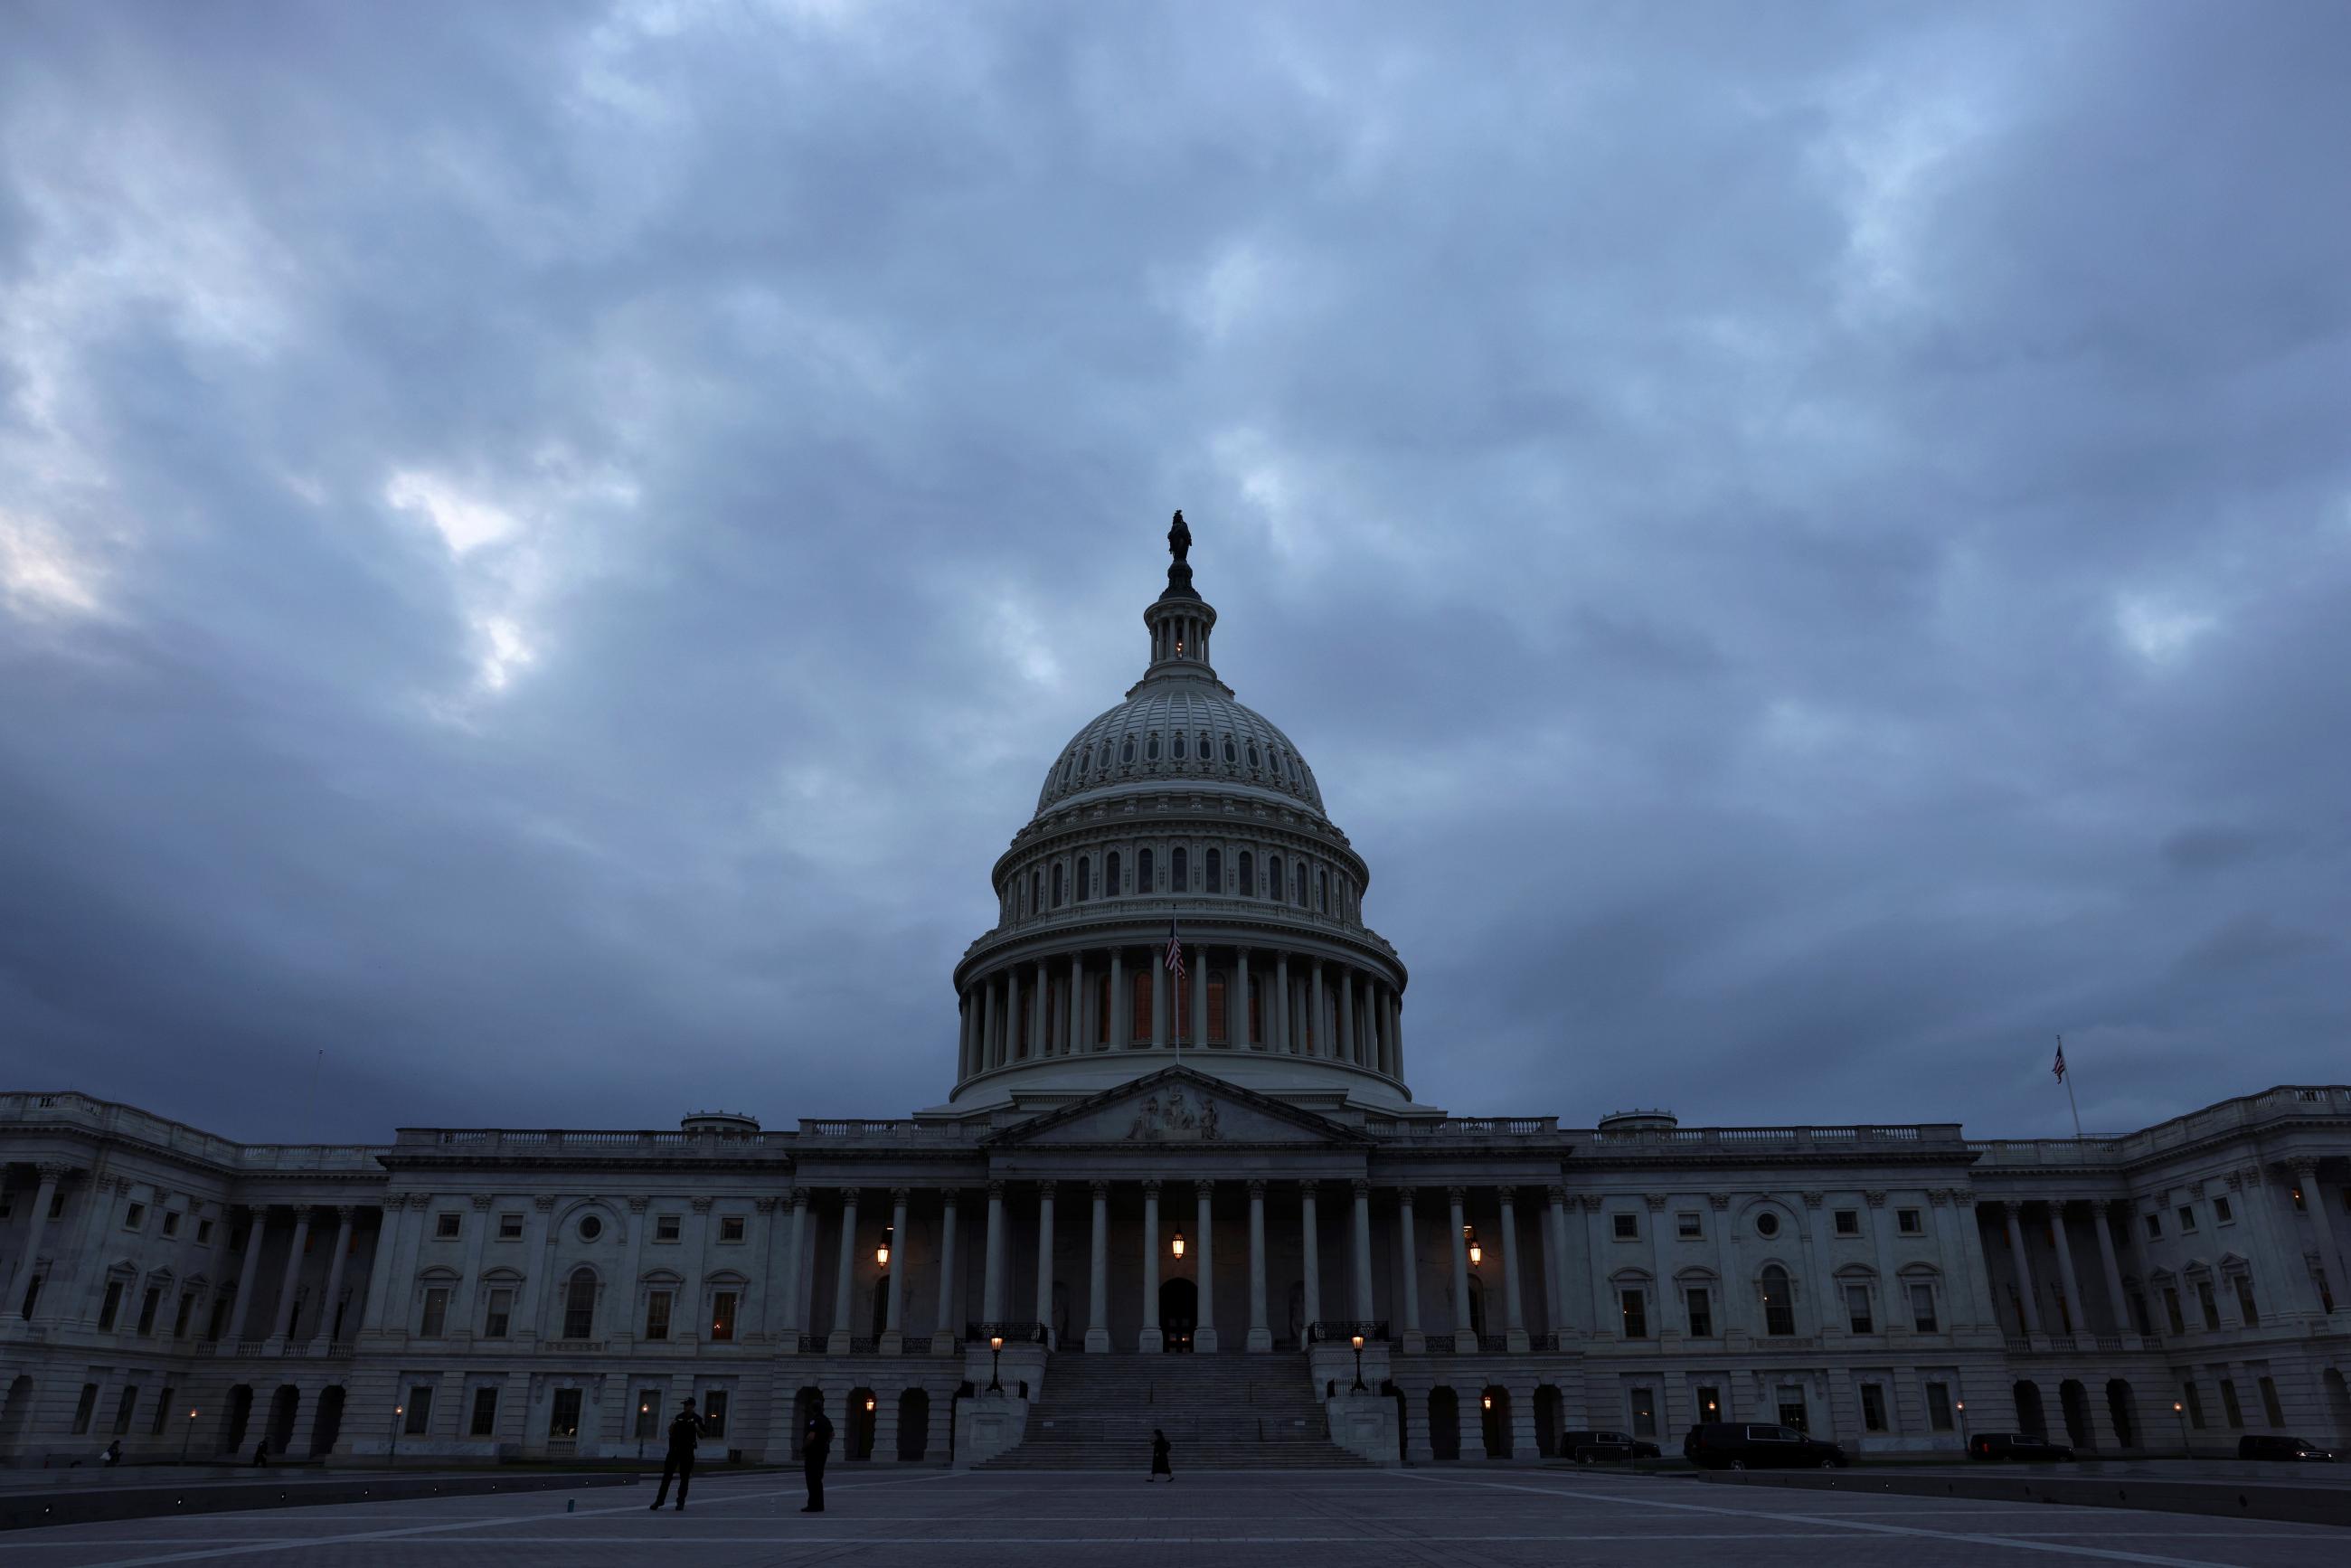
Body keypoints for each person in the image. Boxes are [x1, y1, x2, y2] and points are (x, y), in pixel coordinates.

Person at [648, 1398, 703, 1511]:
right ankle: (659, 1500)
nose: (685, 1406)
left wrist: (697, 1428)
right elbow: (671, 1432)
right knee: (666, 1477)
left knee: (684, 1478)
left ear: (692, 1406)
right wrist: (671, 1427)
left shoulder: (697, 1419)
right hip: (674, 1451)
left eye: (687, 1405)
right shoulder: (679, 1417)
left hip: (687, 1452)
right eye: (684, 1405)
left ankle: (680, 1502)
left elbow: (702, 1435)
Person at [801, 1401, 834, 1513]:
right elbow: (832, 1434)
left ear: (813, 1409)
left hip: (813, 1453)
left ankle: (813, 1505)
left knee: (811, 1480)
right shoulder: (826, 1420)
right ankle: (819, 1505)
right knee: (818, 1479)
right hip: (823, 1452)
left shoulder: (814, 1420)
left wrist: (804, 1447)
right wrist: (825, 1443)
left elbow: (811, 1436)